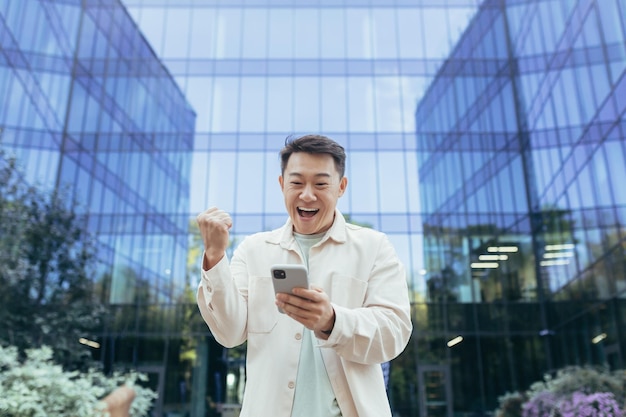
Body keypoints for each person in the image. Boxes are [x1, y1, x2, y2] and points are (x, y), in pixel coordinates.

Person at [196, 134, 412, 417]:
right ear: (282, 184)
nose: (307, 194)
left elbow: (393, 332)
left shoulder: (374, 247)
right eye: (296, 182)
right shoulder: (253, 249)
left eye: (321, 183)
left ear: (341, 187)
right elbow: (229, 332)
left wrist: (332, 321)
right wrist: (214, 257)